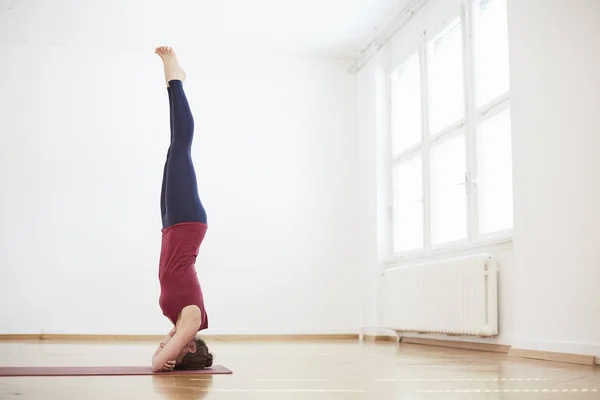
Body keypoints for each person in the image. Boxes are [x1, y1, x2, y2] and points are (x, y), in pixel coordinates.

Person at [151, 46, 213, 372]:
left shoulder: (181, 319)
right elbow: (157, 362)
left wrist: (170, 344)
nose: (165, 342)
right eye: (175, 345)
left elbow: (163, 352)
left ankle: (174, 78)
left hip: (172, 227)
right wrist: (167, 358)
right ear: (188, 346)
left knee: (173, 149)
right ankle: (176, 78)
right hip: (186, 224)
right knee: (181, 145)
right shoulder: (192, 320)